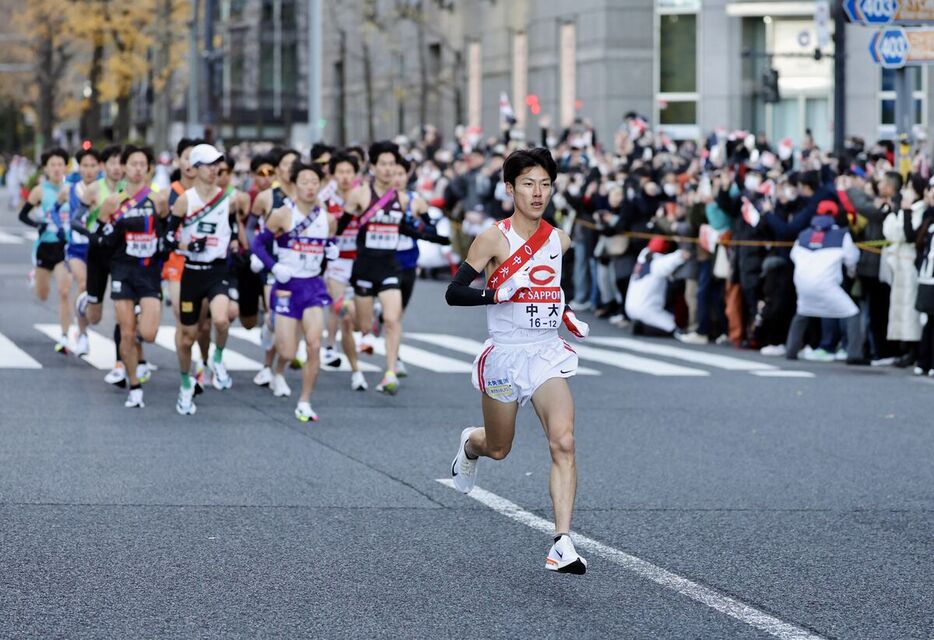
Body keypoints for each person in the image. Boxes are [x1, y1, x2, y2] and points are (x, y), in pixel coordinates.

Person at [444, 147, 591, 574]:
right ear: (510, 188)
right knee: (499, 446)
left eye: (545, 184)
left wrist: (565, 313)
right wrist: (495, 294)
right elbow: (454, 292)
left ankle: (562, 541)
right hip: (505, 355)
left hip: (545, 351)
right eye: (528, 183)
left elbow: (548, 291)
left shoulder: (559, 239)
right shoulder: (494, 238)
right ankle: (470, 444)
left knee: (563, 441)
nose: (538, 192)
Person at [251, 162, 338, 421]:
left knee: (313, 345)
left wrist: (331, 251)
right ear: (294, 185)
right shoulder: (282, 214)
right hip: (287, 286)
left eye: (314, 182)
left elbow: (328, 244)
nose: (310, 187)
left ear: (320, 186)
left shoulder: (328, 218)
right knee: (288, 352)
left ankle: (305, 400)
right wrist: (274, 266)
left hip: (312, 286)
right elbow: (258, 244)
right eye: (304, 182)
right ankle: (278, 370)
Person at [91, 145, 169, 408]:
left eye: (142, 164)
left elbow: (169, 233)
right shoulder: (114, 201)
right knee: (126, 333)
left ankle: (138, 337)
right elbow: (97, 235)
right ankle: (134, 385)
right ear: (124, 167)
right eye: (132, 163)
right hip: (123, 269)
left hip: (148, 271)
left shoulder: (158, 200)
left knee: (148, 333)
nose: (137, 169)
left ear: (149, 169)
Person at [165, 144, 237, 415]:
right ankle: (185, 384)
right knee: (187, 338)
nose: (214, 169)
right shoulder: (185, 200)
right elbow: (168, 239)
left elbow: (238, 228)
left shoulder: (230, 198)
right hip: (192, 272)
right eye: (208, 164)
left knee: (221, 318)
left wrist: (234, 244)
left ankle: (217, 358)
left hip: (217, 271)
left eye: (217, 164)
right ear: (194, 169)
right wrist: (186, 247)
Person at [785, 201, 864, 364]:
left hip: (802, 281)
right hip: (827, 283)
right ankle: (854, 354)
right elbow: (852, 258)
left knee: (802, 312)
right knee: (853, 313)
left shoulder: (804, 234)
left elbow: (793, 256)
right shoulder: (842, 235)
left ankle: (791, 350)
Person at [19, 148, 73, 353]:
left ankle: (65, 336)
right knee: (42, 295)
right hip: (44, 246)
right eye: (53, 165)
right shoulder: (40, 190)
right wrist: (37, 225)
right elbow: (23, 215)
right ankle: (35, 276)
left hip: (64, 247)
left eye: (60, 164)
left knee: (64, 291)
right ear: (46, 168)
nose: (57, 169)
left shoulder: (72, 189)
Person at [322, 151, 368, 391]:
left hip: (360, 259)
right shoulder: (325, 195)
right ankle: (336, 352)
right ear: (332, 173)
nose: (345, 176)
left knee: (359, 319)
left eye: (349, 172)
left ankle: (365, 328)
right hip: (337, 260)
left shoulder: (363, 194)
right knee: (340, 309)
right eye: (340, 172)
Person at [62, 147, 102, 357]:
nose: (89, 170)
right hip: (76, 246)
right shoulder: (70, 188)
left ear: (99, 166)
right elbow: (53, 208)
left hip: (98, 247)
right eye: (85, 165)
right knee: (83, 284)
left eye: (93, 165)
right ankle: (83, 334)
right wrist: (61, 228)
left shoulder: (105, 188)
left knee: (97, 293)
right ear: (79, 167)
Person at [624, 237, 690, 336]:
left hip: (630, 308)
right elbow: (678, 257)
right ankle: (642, 328)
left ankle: (639, 323)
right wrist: (681, 252)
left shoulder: (642, 256)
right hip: (647, 309)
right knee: (673, 327)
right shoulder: (658, 263)